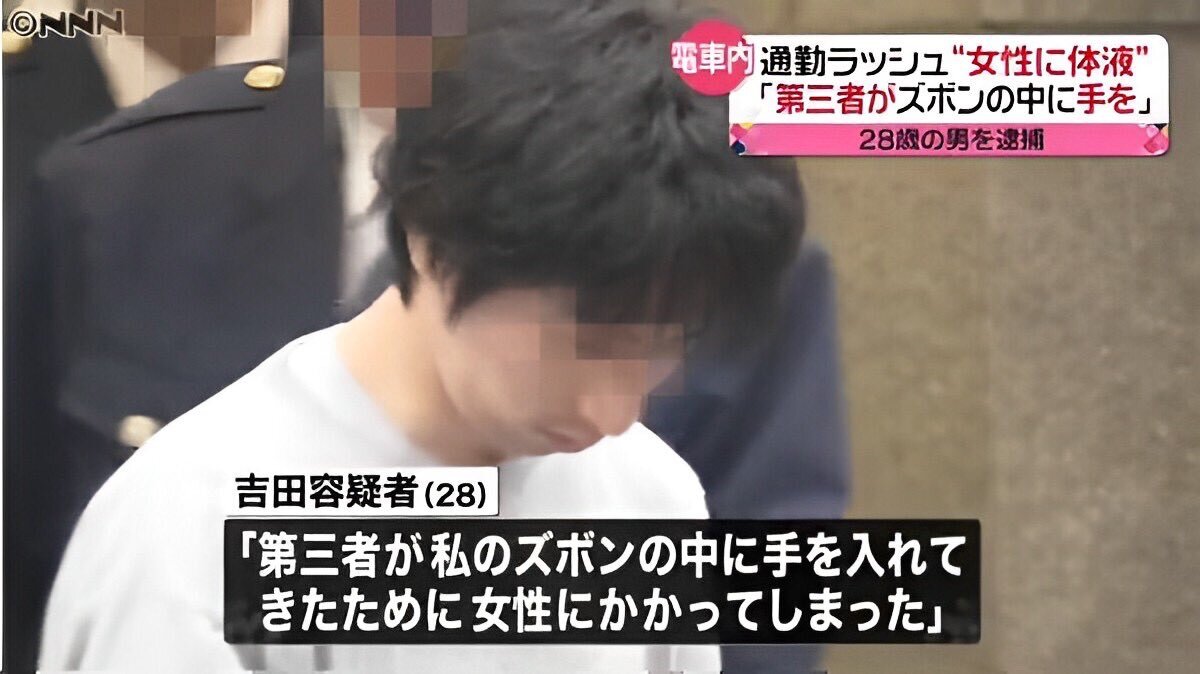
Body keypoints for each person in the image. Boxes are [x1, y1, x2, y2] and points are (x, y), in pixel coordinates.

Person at [38, 1, 805, 670]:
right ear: (436, 236)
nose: (613, 412)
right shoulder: (194, 527)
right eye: (584, 340)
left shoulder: (649, 498)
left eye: (663, 344)